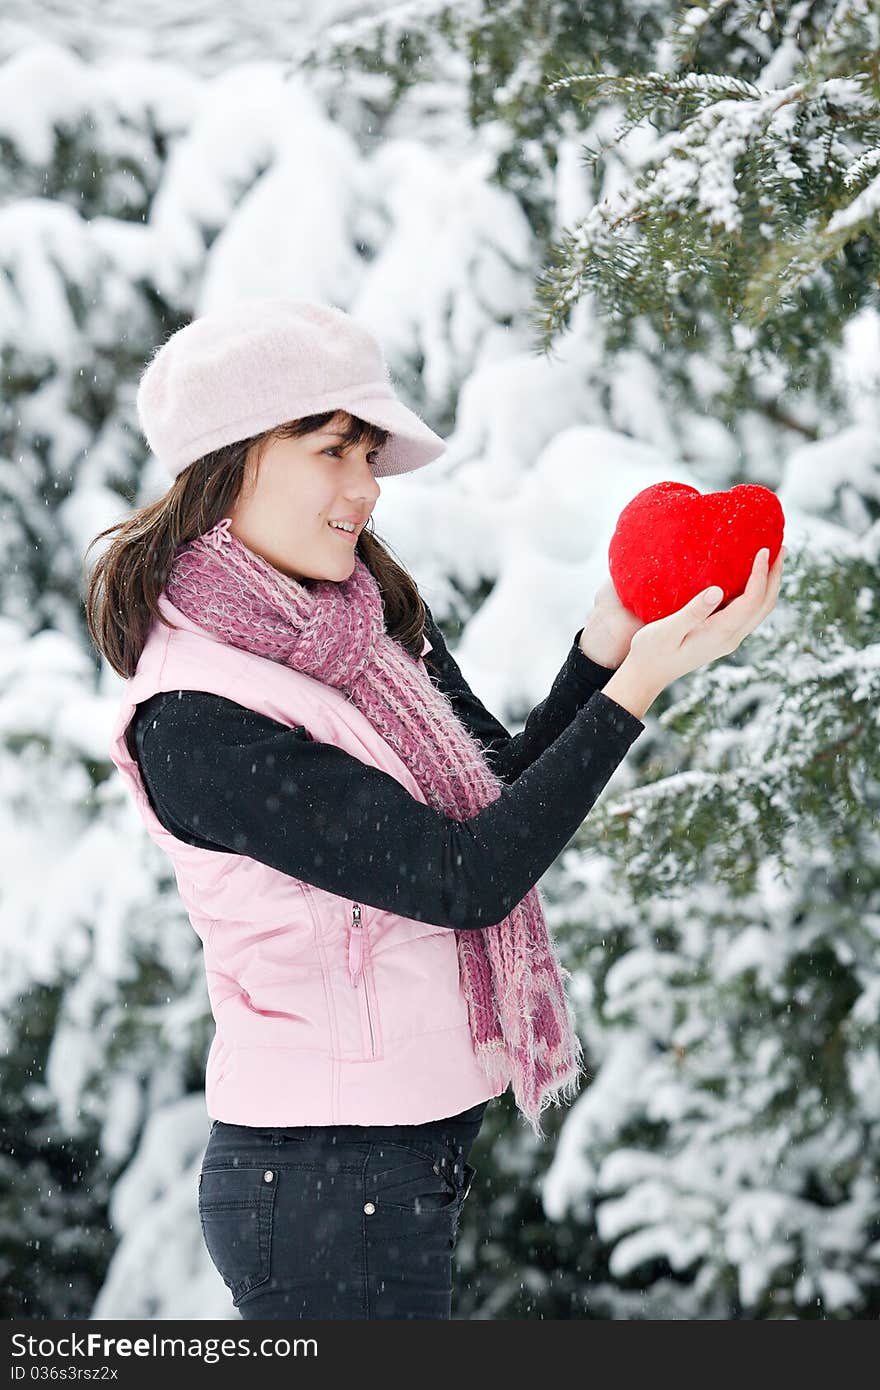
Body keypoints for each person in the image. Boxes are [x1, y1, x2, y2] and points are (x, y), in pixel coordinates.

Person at [83, 296, 784, 1321]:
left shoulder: (366, 627)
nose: (365, 489)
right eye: (334, 451)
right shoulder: (197, 716)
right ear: (229, 461)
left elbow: (494, 801)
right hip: (318, 1182)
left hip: (395, 1166)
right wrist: (637, 693)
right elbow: (464, 879)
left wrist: (603, 654)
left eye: (369, 456)